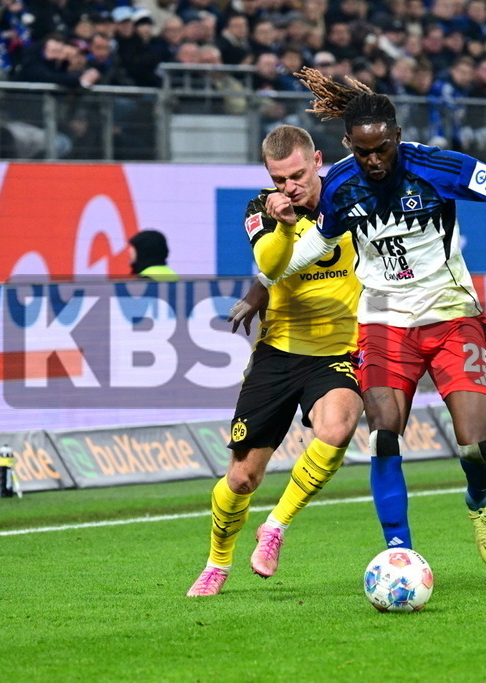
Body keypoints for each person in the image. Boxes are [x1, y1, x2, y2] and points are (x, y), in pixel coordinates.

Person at [250, 68, 486, 566]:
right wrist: (265, 282)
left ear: (397, 138)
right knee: (384, 431)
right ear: (347, 144)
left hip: (452, 314)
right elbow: (317, 246)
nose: (373, 160)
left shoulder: (438, 167)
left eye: (382, 148)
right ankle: (399, 553)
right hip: (384, 320)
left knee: (474, 446)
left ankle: (477, 499)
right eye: (362, 151)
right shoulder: (341, 186)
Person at [188, 125, 364, 596]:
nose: (290, 186)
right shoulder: (260, 209)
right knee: (243, 478)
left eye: (298, 175)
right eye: (279, 177)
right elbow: (268, 265)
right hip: (278, 352)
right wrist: (285, 224)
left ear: (318, 161)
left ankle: (276, 527)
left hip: (338, 352)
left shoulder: (354, 200)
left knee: (339, 425)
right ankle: (217, 563)